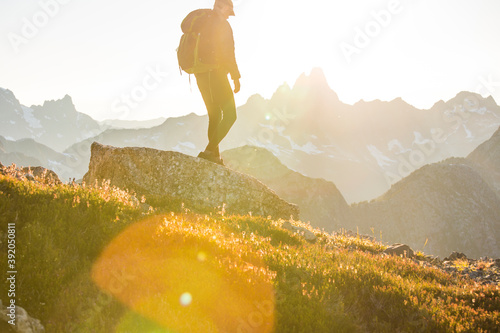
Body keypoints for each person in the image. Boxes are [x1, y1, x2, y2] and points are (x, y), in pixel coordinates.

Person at [181, 0, 241, 165]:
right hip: (215, 74)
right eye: (229, 10)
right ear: (221, 6)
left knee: (214, 115)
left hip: (199, 73)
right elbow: (229, 53)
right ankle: (209, 151)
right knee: (230, 115)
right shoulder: (222, 25)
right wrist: (235, 77)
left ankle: (214, 155)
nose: (229, 15)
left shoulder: (202, 19)